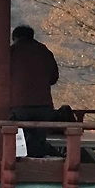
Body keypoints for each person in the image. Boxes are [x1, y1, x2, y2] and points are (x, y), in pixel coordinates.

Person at [10, 25, 60, 157]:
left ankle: (28, 163)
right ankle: (42, 158)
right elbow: (54, 78)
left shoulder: (12, 51)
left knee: (22, 141)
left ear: (14, 38)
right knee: (38, 138)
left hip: (19, 105)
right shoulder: (44, 51)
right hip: (44, 106)